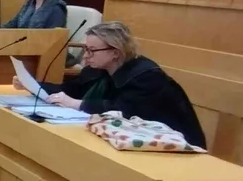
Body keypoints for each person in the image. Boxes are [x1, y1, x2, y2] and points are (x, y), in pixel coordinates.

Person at [15, 21, 207, 148]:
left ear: (115, 52)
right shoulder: (97, 68)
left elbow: (125, 112)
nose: (86, 56)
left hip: (171, 145)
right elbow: (71, 90)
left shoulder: (146, 76)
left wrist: (77, 104)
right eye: (86, 49)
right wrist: (33, 85)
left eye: (92, 50)